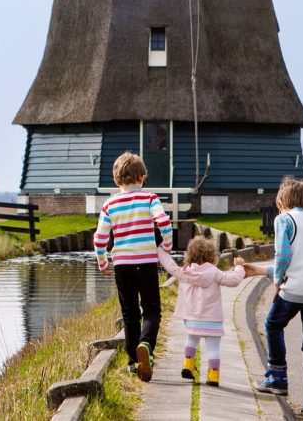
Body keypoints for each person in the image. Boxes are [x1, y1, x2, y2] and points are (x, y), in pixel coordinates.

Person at [244, 177, 303, 418]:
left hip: (296, 288)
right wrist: (263, 270)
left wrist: (277, 280)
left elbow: (283, 256)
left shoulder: (283, 219)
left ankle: (277, 376)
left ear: (281, 202)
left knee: (273, 324)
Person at [93, 152, 173, 382]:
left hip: (123, 266)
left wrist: (102, 260)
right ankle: (146, 344)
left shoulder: (109, 204)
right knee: (151, 310)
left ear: (117, 180)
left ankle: (132, 362)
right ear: (142, 176)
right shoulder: (149, 199)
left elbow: (100, 239)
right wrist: (166, 244)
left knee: (129, 314)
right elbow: (164, 222)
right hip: (146, 263)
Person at [157, 236, 245, 387]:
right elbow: (234, 280)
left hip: (192, 320)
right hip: (212, 320)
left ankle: (188, 365)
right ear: (212, 256)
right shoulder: (215, 272)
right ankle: (213, 375)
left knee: (191, 340)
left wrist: (159, 249)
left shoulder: (185, 272)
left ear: (190, 255)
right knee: (213, 348)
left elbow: (170, 266)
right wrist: (239, 267)